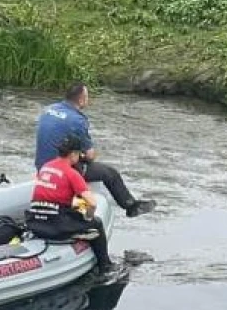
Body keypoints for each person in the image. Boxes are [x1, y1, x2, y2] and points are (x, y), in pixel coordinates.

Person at [35, 82, 155, 218]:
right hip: (62, 169)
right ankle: (131, 206)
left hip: (42, 166)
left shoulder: (48, 109)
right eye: (87, 97)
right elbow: (90, 155)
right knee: (110, 173)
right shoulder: (78, 120)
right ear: (81, 99)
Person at [27, 135, 115, 274]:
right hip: (56, 228)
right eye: (79, 154)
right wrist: (88, 218)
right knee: (96, 224)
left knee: (70, 208)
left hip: (35, 224)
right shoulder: (71, 173)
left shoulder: (46, 167)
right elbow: (92, 202)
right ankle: (105, 266)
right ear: (73, 154)